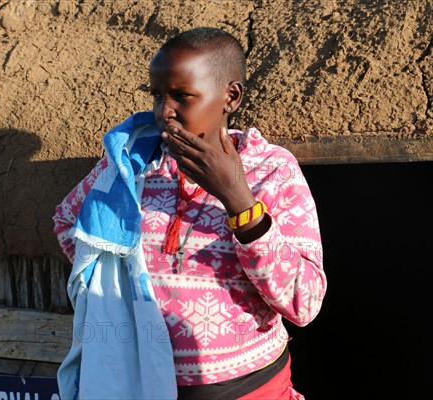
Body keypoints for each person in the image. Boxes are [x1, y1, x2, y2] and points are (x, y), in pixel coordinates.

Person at [53, 27, 326, 400]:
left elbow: (304, 301)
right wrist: (116, 287)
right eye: (157, 96)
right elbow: (69, 222)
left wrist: (238, 200)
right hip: (140, 386)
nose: (164, 112)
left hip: (250, 390)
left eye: (182, 96)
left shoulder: (271, 172)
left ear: (230, 96)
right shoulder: (130, 167)